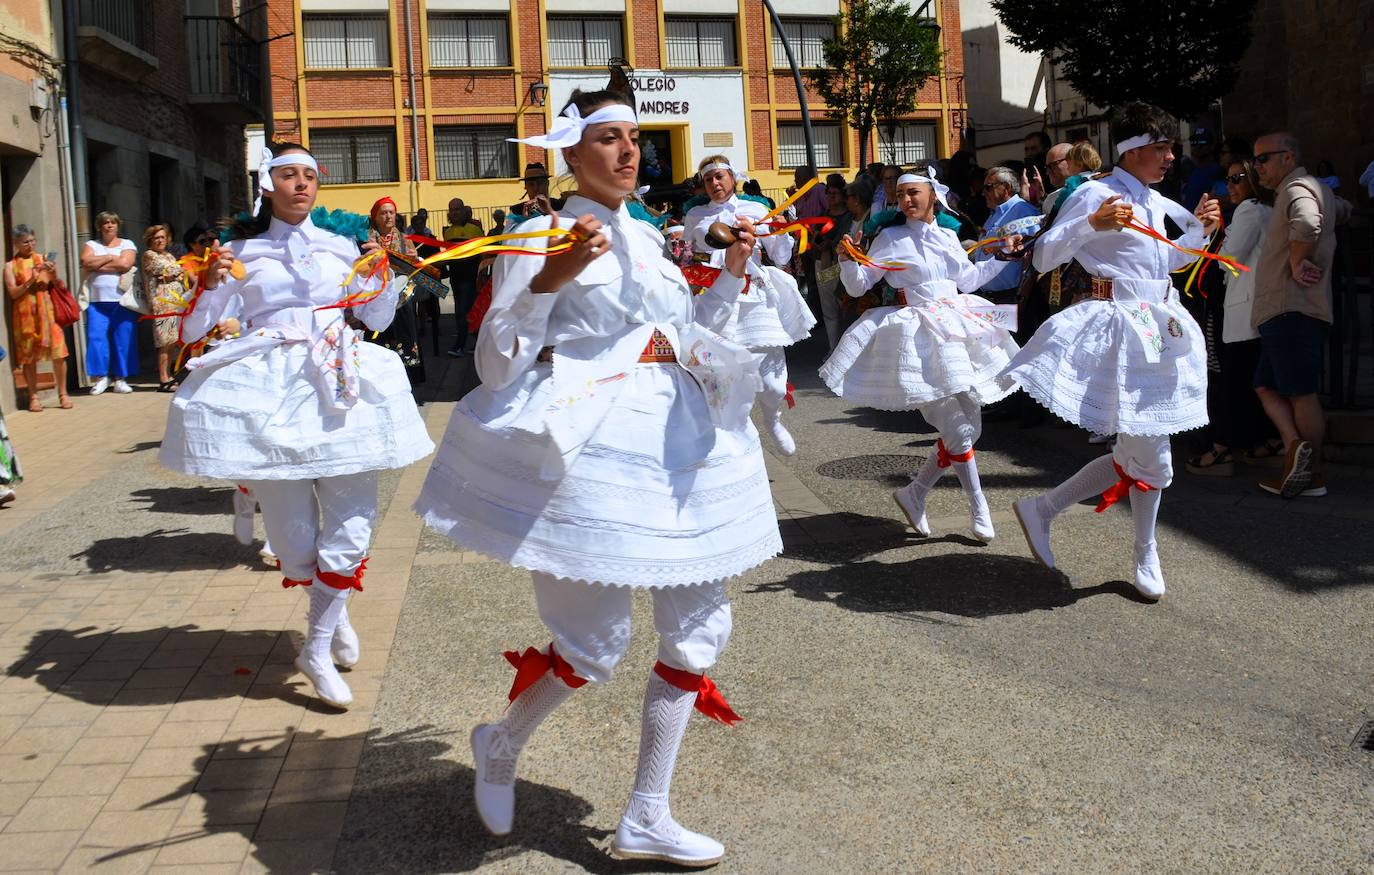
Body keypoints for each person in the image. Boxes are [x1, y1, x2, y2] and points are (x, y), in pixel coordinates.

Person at [413, 85, 780, 867]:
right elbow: (494, 358)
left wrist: (730, 271)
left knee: (697, 626)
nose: (627, 150)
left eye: (633, 137)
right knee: (593, 638)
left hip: (678, 439)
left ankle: (648, 810)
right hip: (594, 445)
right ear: (570, 154)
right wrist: (550, 276)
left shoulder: (647, 237)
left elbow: (686, 336)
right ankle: (501, 741)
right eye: (608, 137)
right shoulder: (541, 231)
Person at [160, 142, 434, 708]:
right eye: (289, 175)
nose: (302, 184)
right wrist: (210, 284)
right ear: (267, 184)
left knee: (353, 523)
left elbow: (375, 318)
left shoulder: (339, 246)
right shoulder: (238, 250)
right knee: (291, 541)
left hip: (340, 381)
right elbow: (192, 331)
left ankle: (315, 643)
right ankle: (332, 613)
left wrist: (381, 278)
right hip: (270, 388)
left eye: (310, 175)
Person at [1007, 102, 1222, 601]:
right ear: (1133, 150)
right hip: (1121, 327)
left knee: (1138, 451)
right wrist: (1090, 225)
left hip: (1156, 326)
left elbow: (1162, 263)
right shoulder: (1097, 195)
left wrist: (1200, 232)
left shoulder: (1152, 200)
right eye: (1162, 147)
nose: (1171, 155)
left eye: (1172, 146)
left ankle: (1043, 509)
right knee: (1155, 456)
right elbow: (1041, 255)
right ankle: (1143, 548)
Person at [822, 169, 1020, 540]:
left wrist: (1005, 257)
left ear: (933, 195)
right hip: (917, 335)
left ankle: (915, 493)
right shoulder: (890, 238)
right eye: (900, 195)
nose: (906, 200)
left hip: (957, 328)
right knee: (959, 430)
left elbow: (970, 280)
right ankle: (979, 509)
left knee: (971, 428)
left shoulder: (947, 236)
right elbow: (858, 285)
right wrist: (848, 258)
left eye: (914, 193)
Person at [684, 155, 816, 455]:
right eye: (708, 180)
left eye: (720, 176)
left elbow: (781, 256)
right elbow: (687, 258)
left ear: (733, 177)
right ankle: (736, 433)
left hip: (753, 295)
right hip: (715, 299)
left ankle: (773, 418)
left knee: (772, 383)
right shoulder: (695, 217)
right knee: (722, 372)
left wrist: (779, 230)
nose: (715, 183)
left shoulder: (756, 209)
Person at [1250, 132, 1348, 498]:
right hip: (1289, 309)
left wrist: (1296, 259)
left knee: (1300, 393)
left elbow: (1308, 223)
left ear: (1287, 158)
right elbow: (1341, 209)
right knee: (1265, 385)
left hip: (1291, 307)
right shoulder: (1317, 189)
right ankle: (1297, 451)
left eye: (1263, 159)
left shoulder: (1296, 189)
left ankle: (1314, 475)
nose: (1256, 166)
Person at [1187, 157, 1276, 476]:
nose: (1230, 186)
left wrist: (1211, 234)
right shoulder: (1261, 210)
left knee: (1232, 381)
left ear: (1253, 180)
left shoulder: (1251, 210)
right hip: (1248, 307)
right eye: (1228, 179)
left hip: (1240, 309)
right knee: (1247, 380)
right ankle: (1259, 441)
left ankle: (1222, 447)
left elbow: (1229, 259)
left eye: (1238, 178)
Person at [4, 225, 71, 411]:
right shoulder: (10, 266)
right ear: (16, 243)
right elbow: (13, 293)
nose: (30, 245)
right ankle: (33, 397)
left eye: (33, 240)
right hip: (25, 317)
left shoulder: (42, 259)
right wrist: (30, 280)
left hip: (47, 314)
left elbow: (55, 284)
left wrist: (53, 272)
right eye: (26, 242)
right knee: (28, 357)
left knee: (59, 353)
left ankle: (63, 394)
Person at [368, 197, 426, 389]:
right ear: (375, 217)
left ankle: (407, 374)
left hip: (401, 298)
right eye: (383, 213)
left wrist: (414, 259)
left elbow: (416, 267)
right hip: (377, 296)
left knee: (405, 334)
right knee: (380, 335)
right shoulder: (367, 239)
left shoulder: (404, 239)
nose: (388, 216)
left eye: (391, 212)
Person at [80, 211, 138, 395]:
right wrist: (110, 257)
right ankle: (101, 378)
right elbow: (85, 261)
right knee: (96, 338)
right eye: (105, 223)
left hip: (122, 301)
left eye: (113, 222)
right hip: (97, 301)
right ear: (100, 226)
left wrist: (97, 264)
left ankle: (120, 379)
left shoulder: (127, 244)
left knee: (123, 339)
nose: (109, 226)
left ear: (118, 225)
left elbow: (125, 265)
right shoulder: (91, 244)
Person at [975, 166, 1041, 300]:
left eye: (988, 187)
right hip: (990, 297)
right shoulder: (995, 214)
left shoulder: (1023, 211)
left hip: (1011, 296)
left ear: (1006, 187)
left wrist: (1023, 296)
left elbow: (1032, 257)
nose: (983, 193)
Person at [142, 224, 185, 391]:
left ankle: (169, 375)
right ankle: (163, 379)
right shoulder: (149, 255)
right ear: (150, 240)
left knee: (172, 341)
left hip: (175, 301)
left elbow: (177, 273)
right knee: (164, 341)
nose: (160, 240)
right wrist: (179, 269)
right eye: (156, 237)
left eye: (162, 237)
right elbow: (167, 270)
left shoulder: (168, 255)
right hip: (162, 302)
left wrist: (177, 271)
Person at [814, 179, 853, 349]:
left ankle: (845, 347)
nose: (830, 197)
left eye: (834, 193)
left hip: (841, 265)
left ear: (843, 196)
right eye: (828, 193)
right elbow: (814, 237)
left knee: (844, 305)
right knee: (828, 308)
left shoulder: (849, 217)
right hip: (822, 264)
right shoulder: (823, 215)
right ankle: (833, 347)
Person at [442, 199, 484, 358]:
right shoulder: (448, 232)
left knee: (462, 312)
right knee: (467, 311)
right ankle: (480, 341)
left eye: (457, 209)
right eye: (451, 210)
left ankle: (460, 346)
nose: (454, 213)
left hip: (470, 277)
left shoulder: (475, 229)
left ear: (463, 211)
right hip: (455, 277)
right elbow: (449, 256)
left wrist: (481, 276)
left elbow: (483, 254)